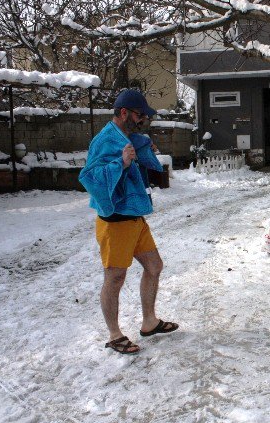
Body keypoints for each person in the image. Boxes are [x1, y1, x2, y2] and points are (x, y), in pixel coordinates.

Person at [79, 89, 178, 354]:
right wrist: (120, 165)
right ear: (124, 113)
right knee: (115, 277)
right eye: (140, 114)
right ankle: (114, 335)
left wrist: (144, 147)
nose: (143, 119)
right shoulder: (104, 140)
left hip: (134, 218)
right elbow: (89, 177)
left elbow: (142, 158)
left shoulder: (129, 136)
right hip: (115, 222)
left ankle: (149, 322)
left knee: (154, 266)